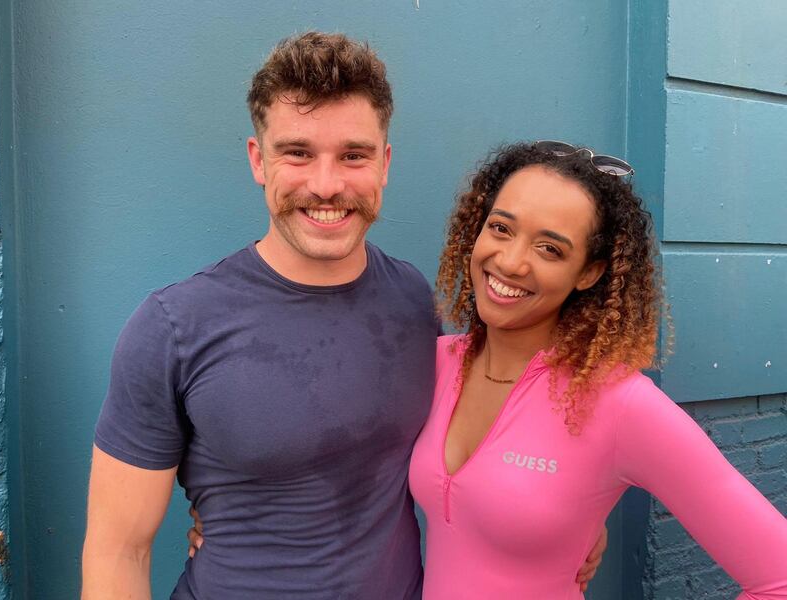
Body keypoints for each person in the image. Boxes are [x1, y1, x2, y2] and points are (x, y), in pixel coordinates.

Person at [81, 34, 605, 599]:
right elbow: (118, 551)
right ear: (259, 160)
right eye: (297, 153)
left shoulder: (411, 299)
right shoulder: (172, 327)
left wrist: (563, 509)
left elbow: (479, 430)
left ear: (384, 163)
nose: (326, 185)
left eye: (353, 155)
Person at [406, 141, 787, 599]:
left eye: (550, 248)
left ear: (588, 273)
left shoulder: (619, 403)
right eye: (501, 228)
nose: (509, 261)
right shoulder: (434, 363)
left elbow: (778, 578)